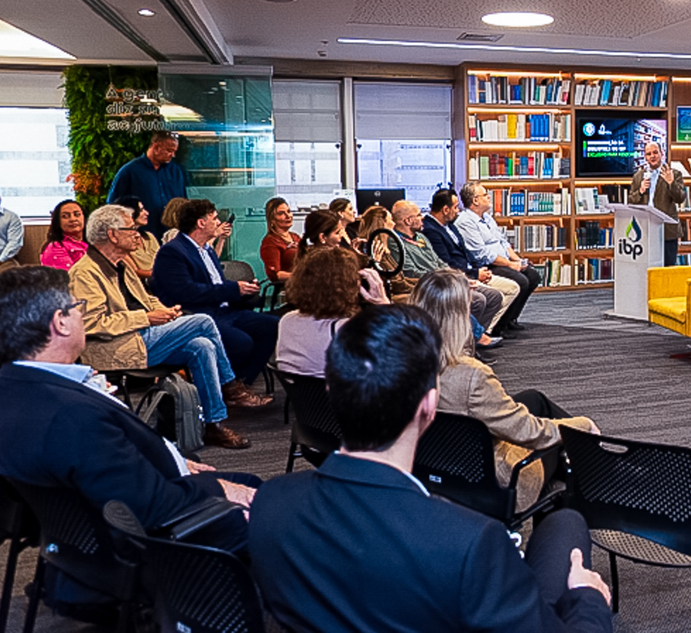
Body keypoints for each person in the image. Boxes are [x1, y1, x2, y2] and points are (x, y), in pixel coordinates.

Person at [249, 302, 612, 633]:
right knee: (568, 524)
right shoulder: (471, 543)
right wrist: (589, 600)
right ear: (429, 405)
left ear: (329, 389)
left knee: (563, 523)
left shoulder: (271, 503)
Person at [0, 266, 258, 619]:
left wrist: (172, 459)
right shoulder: (71, 416)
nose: (81, 314)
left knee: (254, 486)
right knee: (276, 509)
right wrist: (221, 488)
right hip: (144, 543)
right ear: (60, 323)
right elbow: (153, 507)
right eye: (77, 307)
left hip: (77, 540)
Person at [70, 204, 267, 448]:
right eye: (131, 229)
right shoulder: (85, 273)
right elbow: (92, 323)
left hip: (141, 337)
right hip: (115, 347)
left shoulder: (121, 265)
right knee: (203, 321)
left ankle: (213, 424)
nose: (137, 234)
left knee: (202, 345)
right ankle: (231, 387)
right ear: (112, 235)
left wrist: (165, 310)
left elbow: (145, 299)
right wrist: (147, 318)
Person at [411, 269, 596, 511]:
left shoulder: (400, 364)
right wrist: (583, 425)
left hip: (431, 470)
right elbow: (528, 431)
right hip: (487, 483)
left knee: (536, 400)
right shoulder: (471, 375)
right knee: (563, 441)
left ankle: (598, 473)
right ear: (459, 317)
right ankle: (604, 476)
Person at [152, 199, 279, 386]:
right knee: (241, 343)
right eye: (214, 218)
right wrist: (233, 289)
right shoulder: (172, 252)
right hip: (199, 314)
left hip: (224, 310)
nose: (219, 223)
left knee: (273, 326)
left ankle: (240, 384)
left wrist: (243, 290)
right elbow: (187, 292)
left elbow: (216, 283)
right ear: (201, 223)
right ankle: (224, 386)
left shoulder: (207, 250)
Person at [392, 199, 507, 343]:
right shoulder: (396, 242)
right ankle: (464, 341)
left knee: (493, 296)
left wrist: (458, 277)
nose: (423, 218)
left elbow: (439, 262)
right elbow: (411, 272)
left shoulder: (420, 237)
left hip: (444, 279)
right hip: (429, 285)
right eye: (419, 215)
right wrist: (448, 279)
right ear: (408, 221)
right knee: (477, 299)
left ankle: (471, 341)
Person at [275, 246, 388, 377]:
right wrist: (384, 304)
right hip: (341, 389)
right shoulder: (347, 330)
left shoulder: (287, 321)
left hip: (301, 390)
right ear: (349, 285)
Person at [454, 181, 540, 335]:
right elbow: (481, 253)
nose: (489, 197)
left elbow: (503, 242)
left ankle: (511, 319)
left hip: (504, 261)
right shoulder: (465, 221)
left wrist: (518, 261)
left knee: (533, 276)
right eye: (485, 195)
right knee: (521, 281)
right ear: (475, 200)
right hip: (488, 265)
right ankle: (499, 325)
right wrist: (510, 265)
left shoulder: (487, 218)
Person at [107, 131, 188, 238]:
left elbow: (183, 200)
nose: (173, 155)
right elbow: (113, 206)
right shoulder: (130, 171)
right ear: (156, 147)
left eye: (174, 151)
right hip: (142, 234)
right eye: (169, 151)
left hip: (172, 234)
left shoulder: (175, 171)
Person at [629, 141, 685, 267]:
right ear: (645, 157)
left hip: (667, 231)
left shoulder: (674, 174)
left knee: (667, 267)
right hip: (645, 230)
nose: (652, 156)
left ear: (662, 153)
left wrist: (671, 183)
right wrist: (641, 190)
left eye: (655, 152)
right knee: (646, 267)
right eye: (649, 154)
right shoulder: (638, 176)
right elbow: (631, 201)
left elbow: (680, 198)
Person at [355, 205, 415, 300]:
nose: (394, 224)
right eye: (391, 220)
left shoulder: (382, 248)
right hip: (390, 296)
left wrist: (423, 281)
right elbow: (396, 284)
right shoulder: (374, 249)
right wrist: (422, 288)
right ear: (383, 224)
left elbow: (400, 280)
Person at [112, 195, 162, 283]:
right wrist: (163, 273)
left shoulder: (149, 237)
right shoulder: (121, 243)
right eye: (141, 210)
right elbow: (134, 272)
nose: (147, 213)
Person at [39, 199, 87, 271]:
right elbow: (69, 276)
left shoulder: (93, 243)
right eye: (65, 216)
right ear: (58, 222)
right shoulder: (55, 248)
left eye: (77, 214)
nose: (73, 219)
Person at [259, 196, 299, 281]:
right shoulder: (270, 242)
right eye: (281, 213)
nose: (288, 216)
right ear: (272, 220)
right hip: (289, 285)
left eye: (288, 211)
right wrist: (301, 277)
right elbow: (275, 275)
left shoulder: (295, 237)